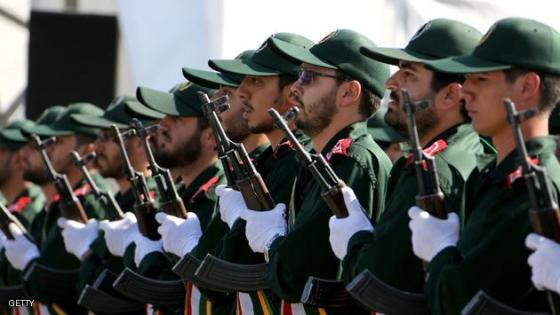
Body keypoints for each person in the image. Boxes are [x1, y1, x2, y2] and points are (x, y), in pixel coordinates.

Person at [408, 17, 560, 314]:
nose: (466, 91)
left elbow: (461, 302)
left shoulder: (530, 187)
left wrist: (440, 253)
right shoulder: (492, 175)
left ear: (528, 86)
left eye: (481, 78)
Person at [328, 19, 488, 299]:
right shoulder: (470, 151)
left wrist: (355, 238)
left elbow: (379, 280)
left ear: (450, 94)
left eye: (409, 75)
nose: (391, 83)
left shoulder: (433, 168)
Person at [236, 29, 392, 314]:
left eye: (309, 77)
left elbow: (292, 276)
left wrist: (272, 240)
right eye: (299, 75)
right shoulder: (324, 160)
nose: (295, 87)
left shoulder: (352, 162)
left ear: (348, 92)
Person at [185, 33, 314, 315]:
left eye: (256, 81)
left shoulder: (297, 162)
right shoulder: (272, 161)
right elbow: (212, 272)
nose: (242, 92)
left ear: (293, 91)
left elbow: (231, 268)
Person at [4, 103, 109, 314]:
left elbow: (52, 293)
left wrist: (28, 262)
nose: (47, 149)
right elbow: (25, 298)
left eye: (57, 142)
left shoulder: (90, 204)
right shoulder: (54, 208)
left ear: (87, 151)